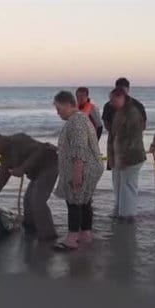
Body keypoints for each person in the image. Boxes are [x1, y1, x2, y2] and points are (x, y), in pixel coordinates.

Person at [0, 133, 59, 241]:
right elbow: (0, 180)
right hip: (36, 174)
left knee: (37, 200)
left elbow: (39, 150)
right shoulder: (5, 159)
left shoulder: (19, 139)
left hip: (50, 165)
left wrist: (22, 168)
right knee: (27, 201)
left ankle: (49, 236)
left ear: (3, 139)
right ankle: (31, 230)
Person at [51, 90, 104, 250]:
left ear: (68, 104)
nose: (57, 112)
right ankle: (85, 235)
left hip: (83, 168)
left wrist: (76, 175)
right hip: (90, 167)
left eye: (58, 108)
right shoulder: (81, 118)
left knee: (74, 202)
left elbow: (79, 149)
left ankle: (72, 240)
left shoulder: (76, 122)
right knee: (85, 202)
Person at [107, 87, 146, 221]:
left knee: (128, 186)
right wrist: (112, 157)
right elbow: (113, 136)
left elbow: (134, 138)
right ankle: (119, 211)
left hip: (132, 157)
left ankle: (128, 215)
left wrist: (124, 158)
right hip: (118, 156)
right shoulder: (119, 112)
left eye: (113, 100)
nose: (111, 103)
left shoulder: (132, 113)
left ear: (121, 97)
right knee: (119, 185)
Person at [102, 77, 147, 170]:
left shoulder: (135, 106)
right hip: (114, 146)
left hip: (131, 150)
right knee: (117, 179)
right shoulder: (109, 105)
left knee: (127, 180)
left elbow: (143, 125)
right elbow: (106, 123)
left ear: (128, 90)